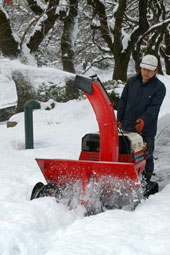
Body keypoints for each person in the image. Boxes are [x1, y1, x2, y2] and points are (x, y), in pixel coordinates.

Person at [117, 54, 166, 183]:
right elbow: (123, 101)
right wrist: (120, 118)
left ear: (155, 70)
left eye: (149, 70)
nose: (146, 72)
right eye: (144, 69)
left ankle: (145, 180)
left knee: (146, 155)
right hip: (128, 126)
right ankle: (127, 178)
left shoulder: (160, 87)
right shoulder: (132, 82)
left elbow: (154, 108)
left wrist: (144, 120)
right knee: (127, 153)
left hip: (146, 128)